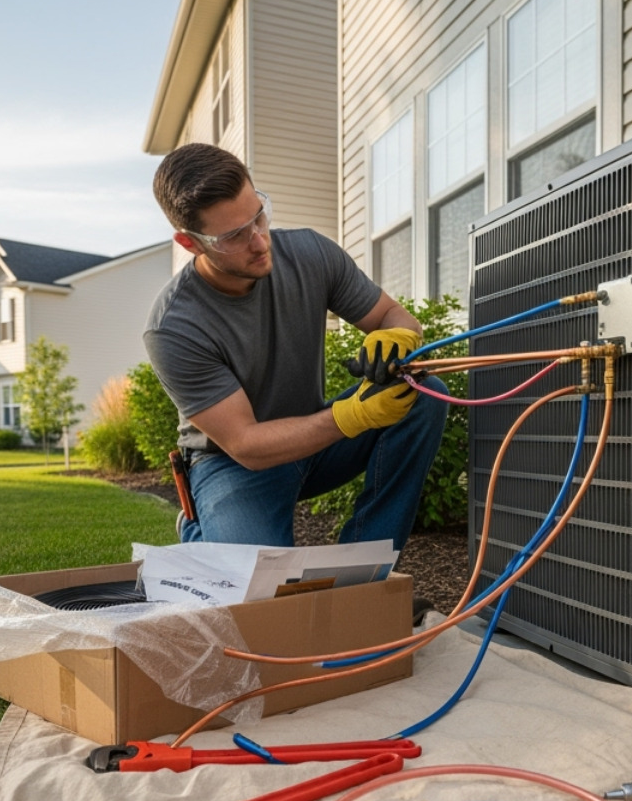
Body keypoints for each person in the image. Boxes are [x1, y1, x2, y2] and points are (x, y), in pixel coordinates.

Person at [144, 143, 448, 553]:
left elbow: (395, 316)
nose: (259, 242)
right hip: (233, 464)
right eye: (234, 236)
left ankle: (363, 562)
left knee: (424, 395)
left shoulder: (310, 253)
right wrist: (353, 415)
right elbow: (246, 444)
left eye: (258, 216)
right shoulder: (174, 326)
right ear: (190, 243)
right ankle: (202, 535)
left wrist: (396, 336)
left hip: (314, 441)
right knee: (258, 581)